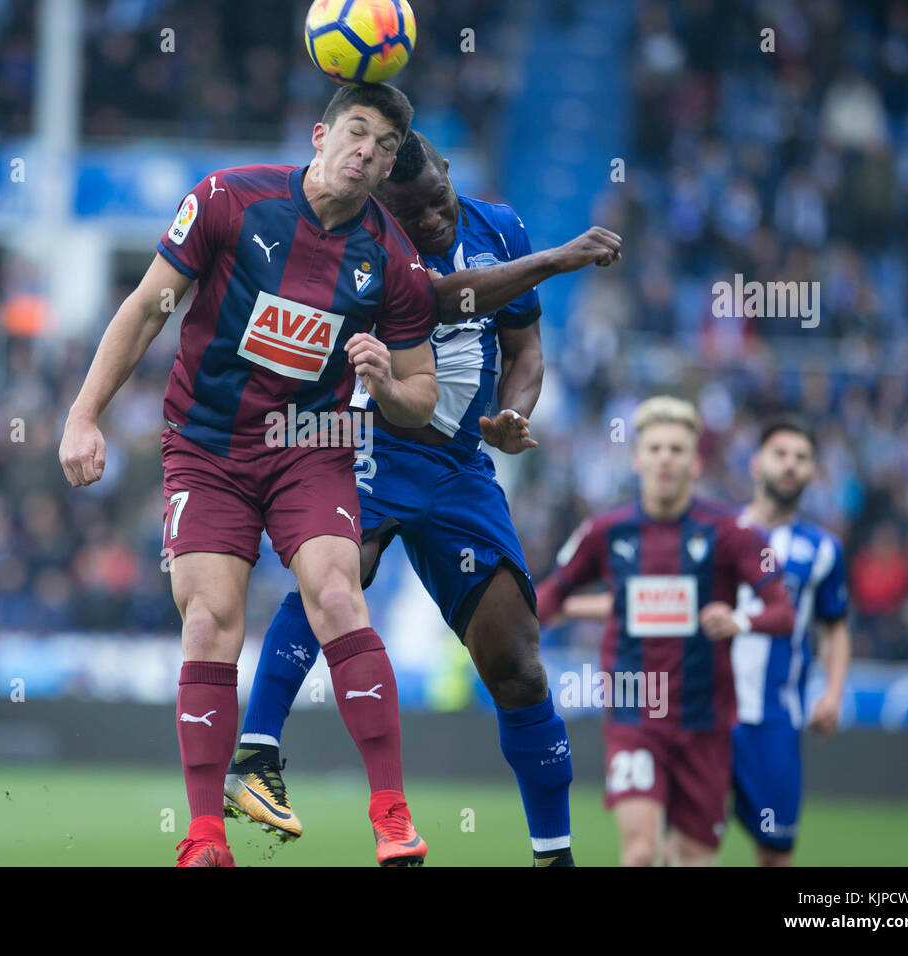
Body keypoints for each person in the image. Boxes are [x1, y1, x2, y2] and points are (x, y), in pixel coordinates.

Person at [59, 83, 440, 867]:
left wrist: (388, 383)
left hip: (310, 445)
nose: (368, 152)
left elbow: (421, 396)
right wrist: (82, 414)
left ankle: (392, 815)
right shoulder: (230, 200)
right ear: (320, 135)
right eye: (357, 133)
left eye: (387, 148)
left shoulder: (393, 259)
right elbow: (144, 310)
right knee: (209, 620)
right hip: (206, 445)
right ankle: (205, 837)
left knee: (338, 592)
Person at [223, 129, 623, 866]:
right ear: (383, 208)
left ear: (447, 172)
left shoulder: (499, 226)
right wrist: (558, 260)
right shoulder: (367, 242)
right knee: (346, 569)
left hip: (461, 468)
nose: (433, 221)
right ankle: (256, 753)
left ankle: (554, 854)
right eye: (414, 215)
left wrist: (515, 411)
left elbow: (526, 349)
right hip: (369, 438)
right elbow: (444, 300)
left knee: (518, 665)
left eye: (438, 201)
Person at [534, 396, 795, 866]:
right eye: (654, 448)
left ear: (696, 462)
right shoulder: (605, 531)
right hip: (635, 718)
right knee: (640, 854)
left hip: (706, 724)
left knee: (693, 861)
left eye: (676, 449)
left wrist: (740, 620)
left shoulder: (733, 532)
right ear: (636, 458)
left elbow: (783, 611)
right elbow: (547, 599)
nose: (665, 459)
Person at [731, 419, 851, 866]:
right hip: (708, 712)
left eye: (801, 458)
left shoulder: (823, 550)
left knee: (775, 852)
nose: (790, 465)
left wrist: (833, 694)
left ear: (813, 472)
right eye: (781, 454)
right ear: (756, 463)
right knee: (685, 847)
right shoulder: (720, 530)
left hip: (776, 721)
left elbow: (835, 626)